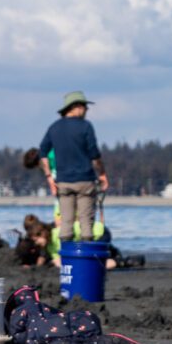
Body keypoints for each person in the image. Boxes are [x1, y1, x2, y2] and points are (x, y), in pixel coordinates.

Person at [38, 91, 109, 245]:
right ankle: (85, 260)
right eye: (84, 107)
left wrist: (49, 177)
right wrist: (102, 174)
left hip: (63, 182)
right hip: (85, 181)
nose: (86, 110)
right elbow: (94, 155)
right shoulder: (86, 126)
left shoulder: (54, 128)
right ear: (76, 107)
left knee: (66, 223)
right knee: (86, 223)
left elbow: (43, 152)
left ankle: (67, 262)